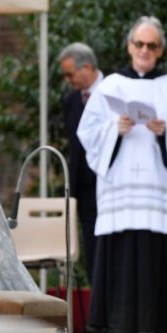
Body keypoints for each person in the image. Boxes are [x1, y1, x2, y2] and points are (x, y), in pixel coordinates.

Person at [77, 16, 167, 333]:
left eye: (152, 45)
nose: (145, 50)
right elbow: (87, 132)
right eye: (139, 44)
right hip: (121, 189)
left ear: (160, 50)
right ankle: (121, 326)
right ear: (129, 46)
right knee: (122, 257)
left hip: (159, 189)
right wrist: (113, 131)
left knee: (159, 256)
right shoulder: (111, 86)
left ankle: (161, 327)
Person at [58, 42, 103, 287]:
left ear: (87, 67)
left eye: (70, 74)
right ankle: (100, 314)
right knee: (92, 248)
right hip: (85, 188)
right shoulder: (71, 100)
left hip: (111, 184)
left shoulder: (113, 92)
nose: (68, 80)